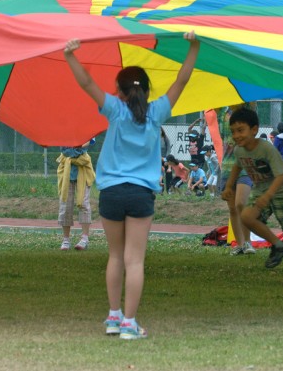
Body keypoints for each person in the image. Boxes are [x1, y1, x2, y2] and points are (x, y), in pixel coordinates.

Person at [64, 31, 199, 340]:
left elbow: (86, 83)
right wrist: (194, 46)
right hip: (140, 195)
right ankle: (129, 323)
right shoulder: (158, 111)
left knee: (115, 256)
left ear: (120, 91)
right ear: (147, 90)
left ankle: (113, 318)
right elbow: (182, 80)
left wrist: (70, 55)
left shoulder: (114, 109)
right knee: (134, 260)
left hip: (111, 192)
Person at [222, 107, 283, 285]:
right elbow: (237, 165)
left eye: (240, 130)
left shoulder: (266, 148)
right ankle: (279, 245)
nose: (236, 135)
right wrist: (229, 186)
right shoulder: (239, 150)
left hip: (282, 191)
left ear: (254, 129)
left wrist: (268, 196)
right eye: (233, 131)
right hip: (261, 190)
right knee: (246, 216)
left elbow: (281, 175)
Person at [217, 104, 256, 256]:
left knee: (241, 204)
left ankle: (247, 242)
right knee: (232, 208)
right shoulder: (222, 113)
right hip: (227, 166)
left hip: (245, 165)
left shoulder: (248, 110)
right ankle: (240, 245)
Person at [57, 138, 96, 251]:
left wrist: (76, 148)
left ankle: (84, 239)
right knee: (65, 204)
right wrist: (75, 149)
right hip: (66, 170)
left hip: (83, 168)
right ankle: (66, 240)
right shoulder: (62, 128)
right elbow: (64, 149)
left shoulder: (87, 125)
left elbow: (89, 141)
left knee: (83, 203)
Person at [160, 127, 172, 194]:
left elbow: (168, 149)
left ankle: (169, 190)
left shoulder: (165, 138)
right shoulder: (154, 139)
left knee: (168, 173)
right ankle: (160, 189)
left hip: (166, 160)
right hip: (157, 160)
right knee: (159, 174)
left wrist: (166, 159)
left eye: (160, 130)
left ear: (162, 131)